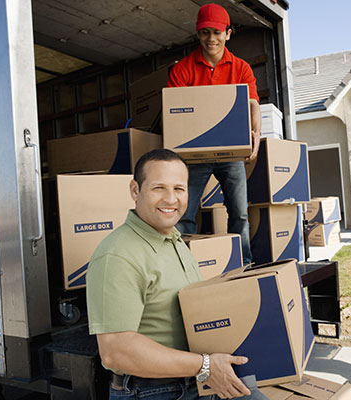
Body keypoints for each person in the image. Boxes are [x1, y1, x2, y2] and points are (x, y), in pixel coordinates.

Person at [86, 149, 268, 400]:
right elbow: (116, 352)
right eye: (159, 188)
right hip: (152, 390)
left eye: (179, 189)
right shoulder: (117, 256)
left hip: (195, 377)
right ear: (135, 190)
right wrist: (205, 366)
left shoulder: (174, 239)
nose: (171, 199)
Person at [167, 3, 261, 267]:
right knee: (185, 213)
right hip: (195, 155)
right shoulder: (182, 69)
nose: (211, 38)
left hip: (230, 153)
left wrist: (255, 133)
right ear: (198, 35)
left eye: (217, 32)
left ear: (228, 34)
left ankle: (243, 263)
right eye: (205, 32)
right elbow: (174, 113)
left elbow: (253, 104)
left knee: (240, 213)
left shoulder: (241, 68)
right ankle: (183, 265)